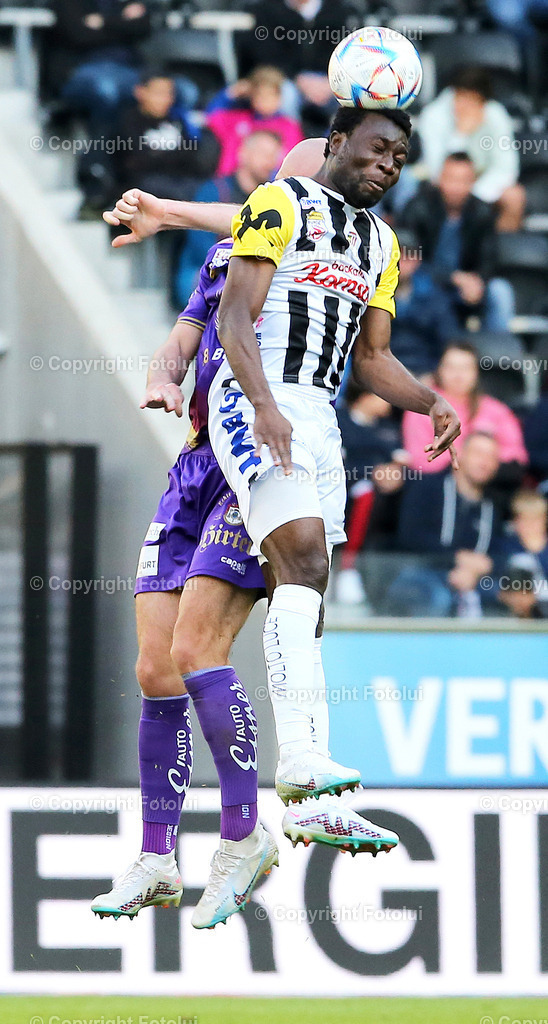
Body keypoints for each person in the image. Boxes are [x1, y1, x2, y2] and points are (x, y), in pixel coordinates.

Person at [92, 140, 399, 932]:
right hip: (195, 464)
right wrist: (161, 375)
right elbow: (185, 333)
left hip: (258, 461)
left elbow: (259, 215)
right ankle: (158, 857)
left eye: (288, 186)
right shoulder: (237, 250)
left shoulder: (314, 241)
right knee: (154, 666)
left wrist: (165, 212)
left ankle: (241, 832)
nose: (279, 199)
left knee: (199, 652)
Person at [205, 106, 461, 808]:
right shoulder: (278, 201)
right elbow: (234, 315)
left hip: (319, 415)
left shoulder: (380, 241)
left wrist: (429, 401)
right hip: (258, 394)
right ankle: (302, 759)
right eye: (377, 149)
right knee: (305, 562)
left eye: (399, 158)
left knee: (309, 595)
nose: (387, 165)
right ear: (337, 142)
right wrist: (262, 404)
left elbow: (373, 358)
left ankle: (309, 781)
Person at [387, 432, 502, 617]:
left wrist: (481, 568)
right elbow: (409, 537)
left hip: (471, 579)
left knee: (504, 595)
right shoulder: (427, 487)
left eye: (492, 457)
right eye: (478, 453)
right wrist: (456, 559)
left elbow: (497, 551)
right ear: (460, 454)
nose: (485, 462)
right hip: (418, 571)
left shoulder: (492, 505)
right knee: (438, 598)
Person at [399, 152, 515, 333]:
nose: (456, 187)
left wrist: (478, 281)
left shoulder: (482, 213)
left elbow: (489, 260)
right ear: (439, 179)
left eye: (463, 180)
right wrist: (452, 277)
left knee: (500, 291)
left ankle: (495, 354)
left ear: (473, 182)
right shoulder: (418, 207)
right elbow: (407, 258)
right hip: (426, 279)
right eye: (451, 179)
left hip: (466, 285)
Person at [174, 130, 283, 308]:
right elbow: (200, 247)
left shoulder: (273, 198)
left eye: (274, 156)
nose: (270, 161)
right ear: (243, 153)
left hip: (253, 274)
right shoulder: (214, 190)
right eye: (263, 153)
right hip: (203, 271)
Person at [417, 66, 526, 232]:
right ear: (453, 93)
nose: (466, 106)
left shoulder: (495, 115)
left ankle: (495, 255)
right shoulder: (433, 115)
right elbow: (437, 171)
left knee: (514, 197)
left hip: (482, 187)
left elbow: (506, 169)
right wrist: (461, 135)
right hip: (442, 188)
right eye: (461, 97)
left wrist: (474, 195)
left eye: (473, 100)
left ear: (483, 102)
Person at [402, 342, 528, 478]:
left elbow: (517, 455)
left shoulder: (496, 410)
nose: (458, 375)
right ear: (439, 370)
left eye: (466, 368)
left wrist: (482, 459)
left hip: (489, 482)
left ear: (476, 373)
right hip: (438, 482)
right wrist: (467, 460)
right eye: (451, 367)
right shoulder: (422, 409)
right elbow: (419, 460)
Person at [335, 385, 404, 605]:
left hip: (382, 497)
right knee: (364, 490)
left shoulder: (388, 426)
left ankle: (356, 571)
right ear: (365, 397)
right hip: (340, 489)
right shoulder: (338, 420)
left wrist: (395, 472)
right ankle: (345, 567)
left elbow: (399, 458)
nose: (389, 401)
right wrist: (372, 471)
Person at [116, 71, 220, 202]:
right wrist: (177, 155)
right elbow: (137, 161)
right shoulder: (127, 122)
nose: (166, 99)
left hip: (183, 182)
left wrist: (161, 156)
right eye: (159, 93)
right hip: (144, 188)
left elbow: (194, 156)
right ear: (140, 92)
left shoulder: (178, 119)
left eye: (169, 93)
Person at [206, 67, 303, 177]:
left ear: (279, 97)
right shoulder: (239, 120)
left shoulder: (289, 127)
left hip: (270, 185)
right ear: (252, 97)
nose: (265, 100)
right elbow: (211, 116)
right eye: (260, 95)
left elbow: (292, 164)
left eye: (271, 95)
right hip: (232, 185)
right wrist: (231, 92)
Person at [496, 489, 548, 618]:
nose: (530, 526)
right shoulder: (505, 548)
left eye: (535, 519)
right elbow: (493, 580)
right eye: (524, 519)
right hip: (515, 614)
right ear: (515, 521)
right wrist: (508, 596)